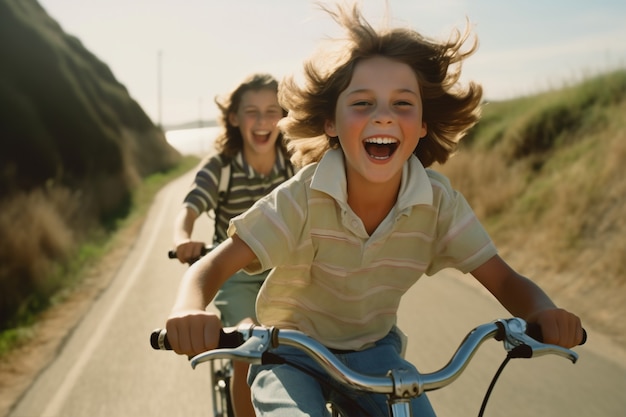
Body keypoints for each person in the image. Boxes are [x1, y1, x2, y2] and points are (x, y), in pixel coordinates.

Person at [166, 3, 584, 416]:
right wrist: (188, 308)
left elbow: (505, 280)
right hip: (288, 348)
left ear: (422, 125)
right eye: (363, 103)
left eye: (402, 104)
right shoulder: (303, 197)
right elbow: (210, 268)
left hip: (375, 351)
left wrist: (542, 311)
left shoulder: (438, 204)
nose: (383, 116)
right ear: (330, 122)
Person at [171, 72, 294, 417]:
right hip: (236, 276)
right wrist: (183, 239)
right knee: (249, 343)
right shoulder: (222, 166)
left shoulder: (294, 164)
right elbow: (190, 207)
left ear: (284, 118)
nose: (262, 121)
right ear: (234, 118)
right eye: (251, 112)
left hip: (285, 271)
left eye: (272, 111)